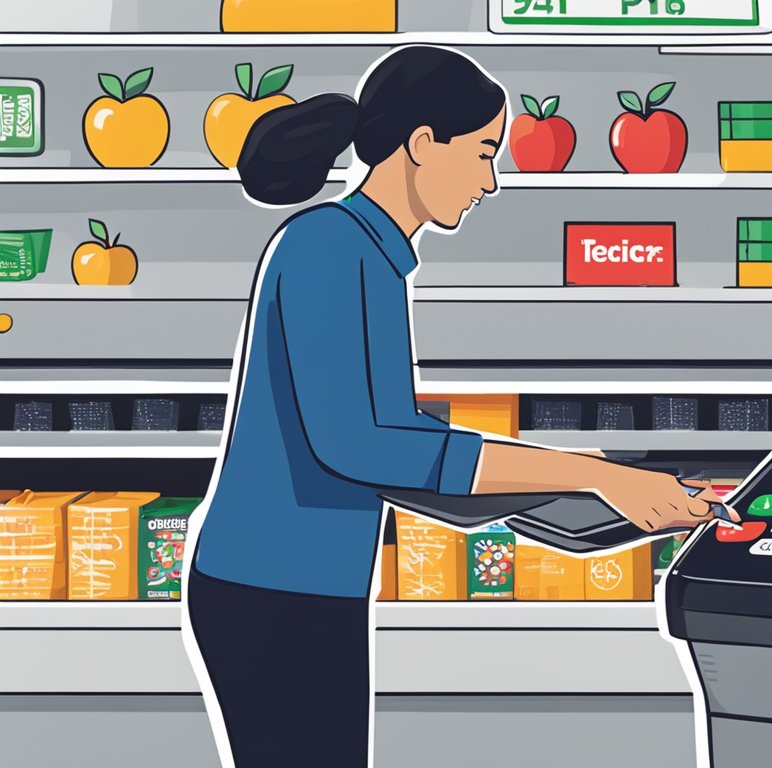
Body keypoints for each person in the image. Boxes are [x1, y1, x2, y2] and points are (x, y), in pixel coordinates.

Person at [184, 45, 734, 768]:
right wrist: (593, 477)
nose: (491, 181)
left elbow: (391, 431)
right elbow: (357, 444)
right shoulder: (327, 249)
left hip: (302, 584)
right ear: (420, 146)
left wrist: (574, 475)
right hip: (273, 588)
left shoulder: (365, 253)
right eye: (481, 154)